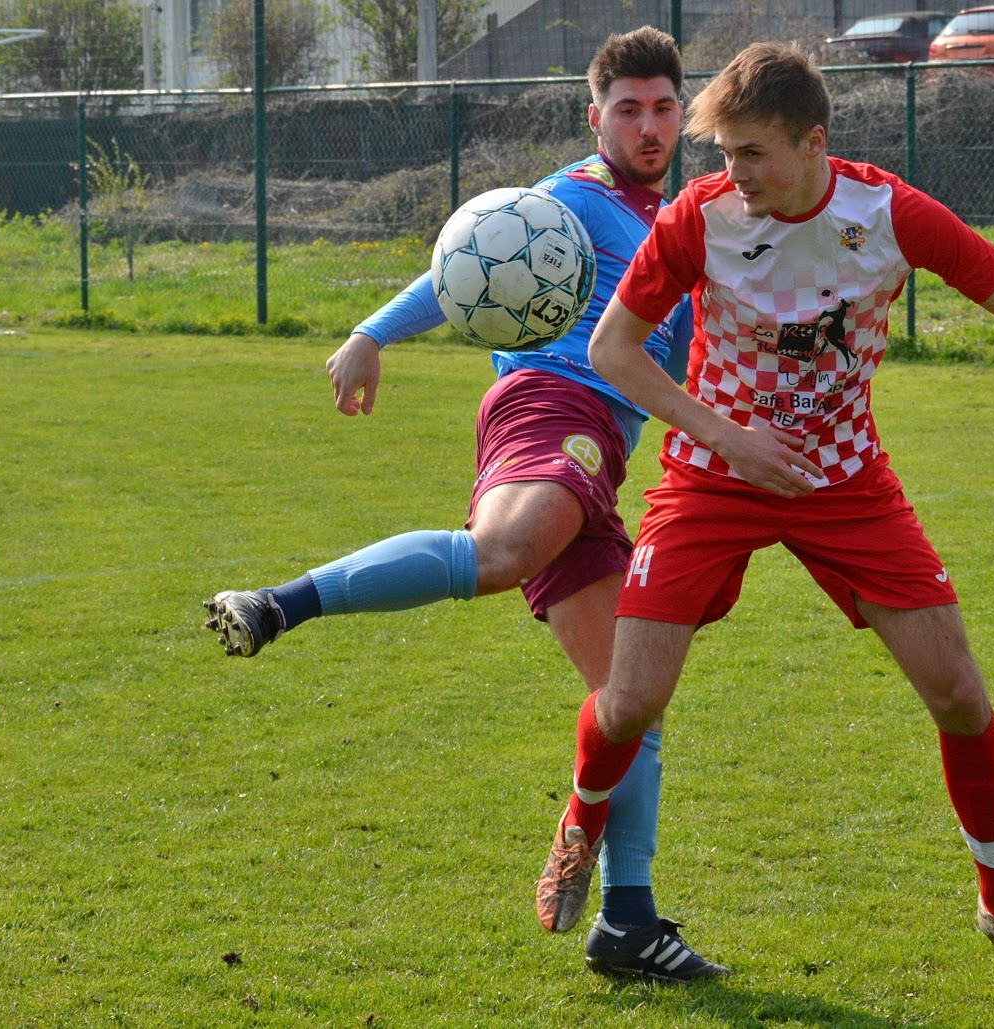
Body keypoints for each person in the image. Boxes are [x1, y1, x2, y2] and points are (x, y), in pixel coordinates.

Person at [538, 42, 994, 998]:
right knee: (629, 703)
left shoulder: (887, 213)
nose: (728, 173)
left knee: (959, 694)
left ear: (813, 143)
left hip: (845, 482)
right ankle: (582, 817)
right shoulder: (699, 218)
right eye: (720, 152)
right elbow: (614, 349)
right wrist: (731, 438)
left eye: (750, 153)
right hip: (714, 474)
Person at [200, 27, 728, 983]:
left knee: (630, 700)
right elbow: (466, 266)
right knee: (502, 552)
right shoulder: (569, 198)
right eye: (629, 109)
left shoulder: (677, 215)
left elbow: (688, 343)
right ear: (595, 115)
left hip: (601, 449)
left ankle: (627, 918)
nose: (649, 126)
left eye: (663, 108)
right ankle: (282, 602)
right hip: (549, 407)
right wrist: (371, 331)